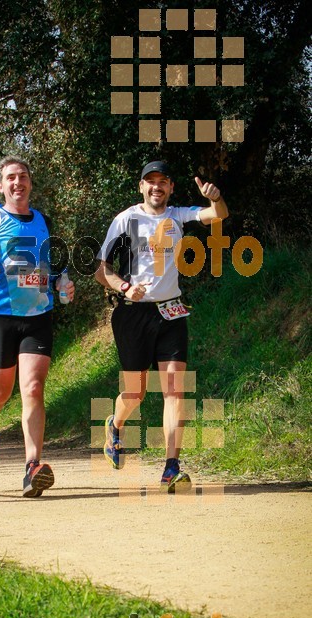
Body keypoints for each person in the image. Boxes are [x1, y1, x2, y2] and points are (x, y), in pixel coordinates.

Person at [95, 160, 228, 492]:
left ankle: (171, 467)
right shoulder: (126, 219)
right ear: (141, 186)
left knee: (174, 389)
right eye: (150, 181)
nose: (157, 187)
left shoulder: (178, 215)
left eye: (163, 182)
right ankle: (116, 423)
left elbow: (219, 215)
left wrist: (215, 198)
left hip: (171, 312)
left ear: (170, 187)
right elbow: (101, 270)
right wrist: (125, 287)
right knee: (136, 391)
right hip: (132, 314)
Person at [0, 156, 75, 497]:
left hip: (38, 316)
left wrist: (61, 282)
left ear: (30, 183)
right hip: (0, 316)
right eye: (10, 177)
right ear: (1, 186)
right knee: (0, 393)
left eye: (23, 176)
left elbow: (48, 266)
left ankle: (32, 466)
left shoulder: (43, 220)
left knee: (34, 388)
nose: (17, 182)